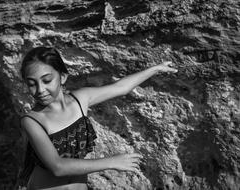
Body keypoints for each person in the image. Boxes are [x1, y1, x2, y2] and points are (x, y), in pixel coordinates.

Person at [17, 46, 178, 190]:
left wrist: (156, 69)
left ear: (63, 77)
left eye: (47, 80)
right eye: (32, 84)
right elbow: (57, 167)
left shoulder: (81, 99)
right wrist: (112, 162)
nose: (40, 89)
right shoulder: (32, 121)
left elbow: (121, 87)